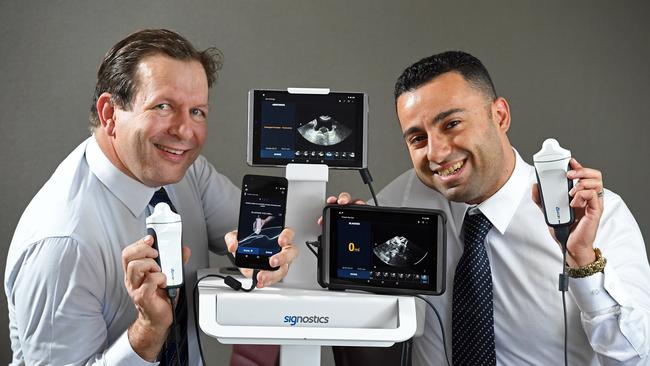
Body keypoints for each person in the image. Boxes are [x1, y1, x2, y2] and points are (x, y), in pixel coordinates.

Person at [330, 51, 650, 365]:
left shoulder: (596, 216)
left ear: (499, 116)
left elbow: (637, 359)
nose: (436, 153)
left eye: (452, 123)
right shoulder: (401, 200)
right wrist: (347, 249)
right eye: (417, 138)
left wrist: (583, 262)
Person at [4, 29, 297, 365]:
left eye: (197, 112)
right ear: (110, 114)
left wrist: (287, 248)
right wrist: (147, 330)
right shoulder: (64, 244)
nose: (185, 132)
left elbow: (272, 235)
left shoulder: (185, 173)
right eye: (163, 106)